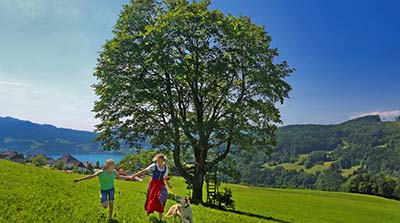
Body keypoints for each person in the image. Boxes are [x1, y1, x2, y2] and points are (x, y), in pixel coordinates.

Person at [130, 154, 172, 223]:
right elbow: (144, 171)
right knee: (151, 198)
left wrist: (169, 185)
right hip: (153, 184)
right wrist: (134, 175)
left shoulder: (165, 167)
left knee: (161, 197)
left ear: (163, 160)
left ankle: (160, 219)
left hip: (160, 184)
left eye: (159, 159)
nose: (157, 160)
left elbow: (165, 177)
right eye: (157, 159)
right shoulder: (154, 166)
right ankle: (148, 211)